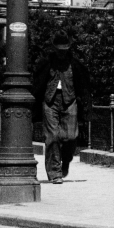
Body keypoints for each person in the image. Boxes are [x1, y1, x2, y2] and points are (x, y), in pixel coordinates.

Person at [38, 49, 84, 183]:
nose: (61, 53)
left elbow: (82, 83)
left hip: (69, 100)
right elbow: (38, 80)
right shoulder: (47, 63)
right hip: (50, 101)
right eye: (59, 49)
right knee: (52, 137)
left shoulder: (74, 64)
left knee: (71, 136)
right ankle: (55, 173)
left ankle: (66, 160)